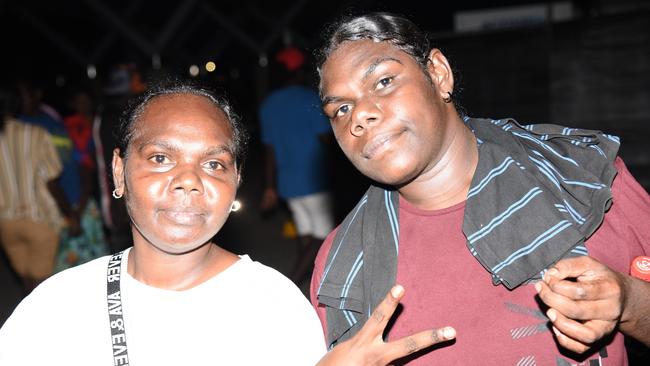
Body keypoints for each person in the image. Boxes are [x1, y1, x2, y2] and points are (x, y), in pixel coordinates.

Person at [0, 80, 456, 365]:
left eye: (214, 165)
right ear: (119, 171)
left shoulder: (273, 306)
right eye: (160, 158)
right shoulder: (55, 309)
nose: (189, 181)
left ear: (237, 181)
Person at [310, 12, 650, 365]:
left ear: (438, 74)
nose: (360, 115)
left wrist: (630, 302)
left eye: (383, 82)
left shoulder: (580, 179)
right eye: (341, 109)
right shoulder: (341, 266)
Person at [259, 46, 336, 283]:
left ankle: (309, 278)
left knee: (305, 232)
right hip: (314, 180)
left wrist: (270, 185)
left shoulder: (269, 104)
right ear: (301, 71)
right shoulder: (309, 99)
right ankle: (291, 281)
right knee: (323, 237)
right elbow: (326, 140)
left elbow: (269, 149)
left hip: (287, 182)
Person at [0, 112, 63, 293]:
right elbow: (52, 178)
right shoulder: (36, 133)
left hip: (7, 223)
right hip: (39, 217)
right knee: (42, 285)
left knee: (27, 281)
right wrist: (69, 212)